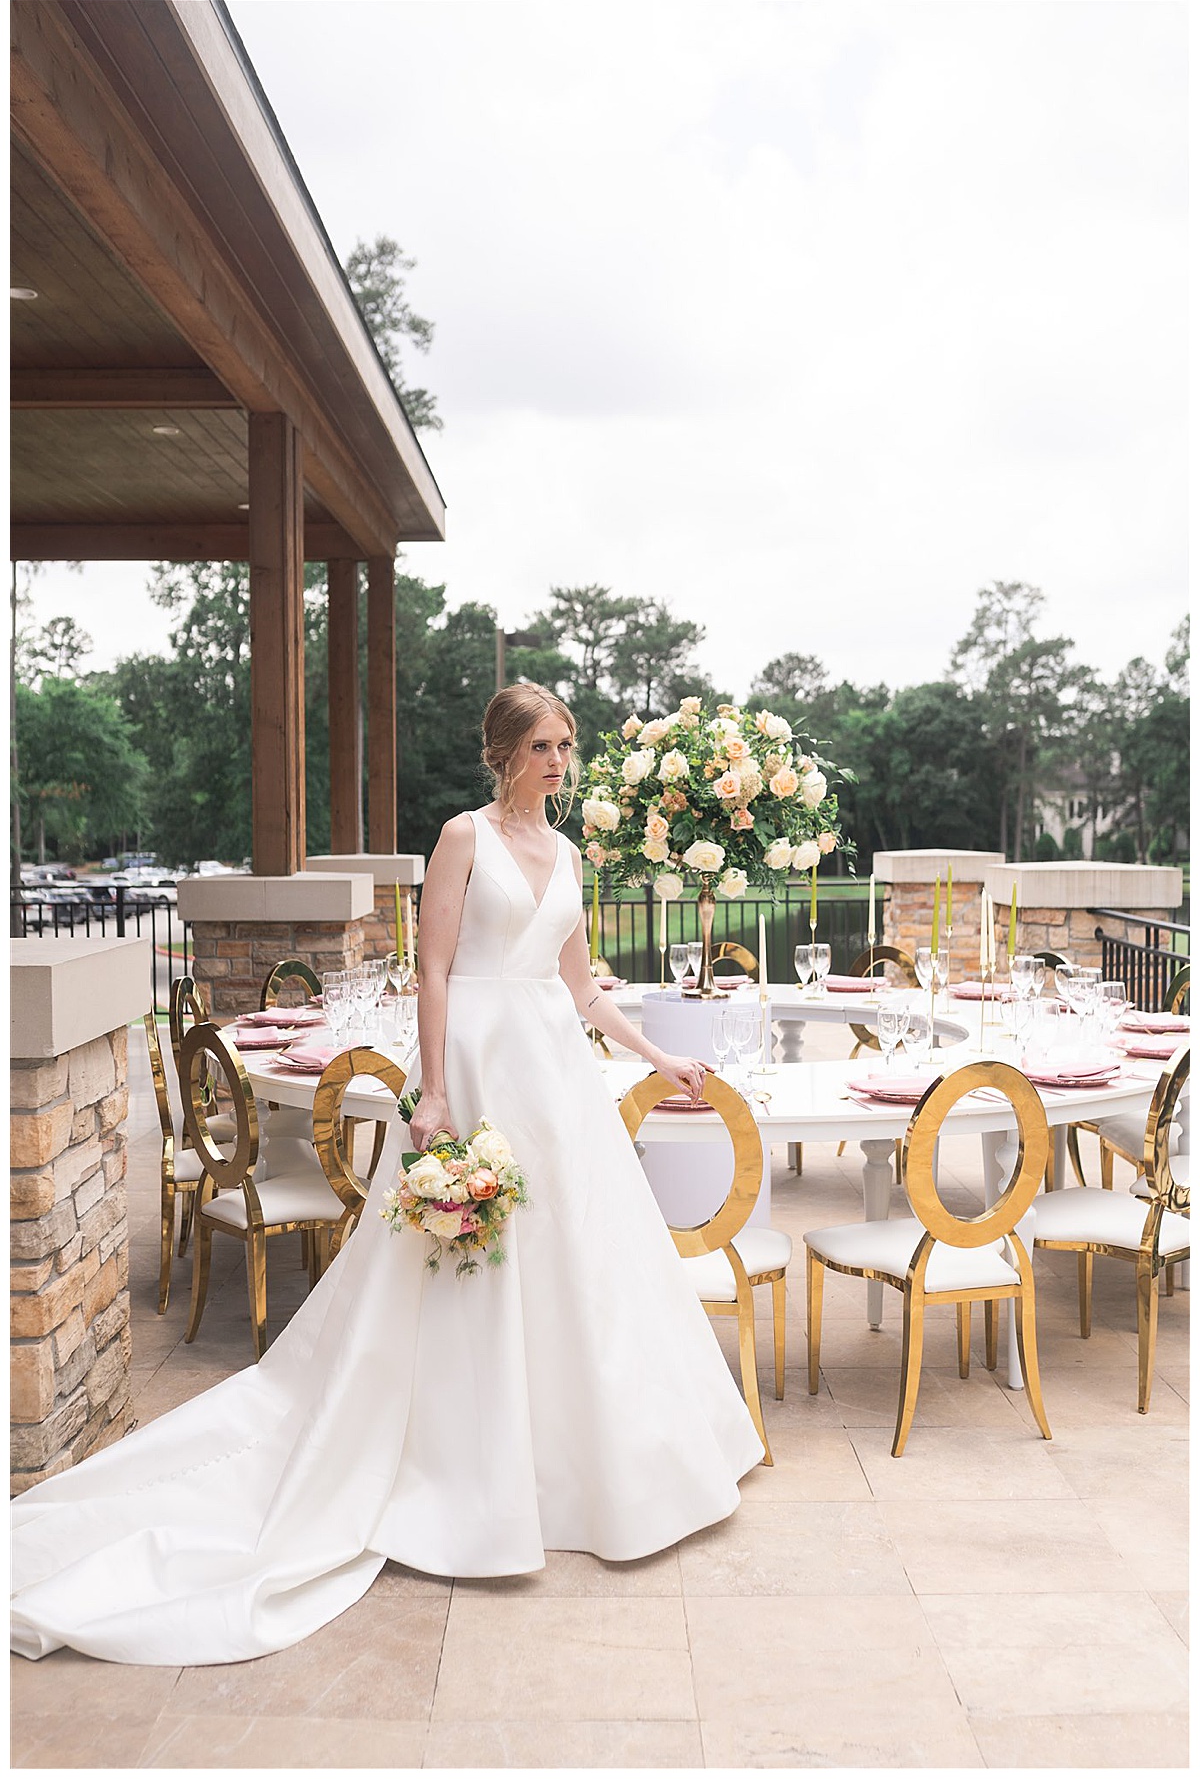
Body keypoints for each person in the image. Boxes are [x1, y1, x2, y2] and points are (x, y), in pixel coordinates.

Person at [10, 684, 762, 1666]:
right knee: (464, 1262)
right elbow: (438, 968)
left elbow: (579, 987)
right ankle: (460, 1469)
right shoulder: (464, 836)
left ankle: (591, 1468)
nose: (558, 761)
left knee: (581, 1259)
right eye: (542, 744)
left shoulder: (570, 855)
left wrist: (656, 1057)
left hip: (554, 1071)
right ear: (502, 752)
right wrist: (436, 1089)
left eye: (565, 744)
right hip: (481, 1063)